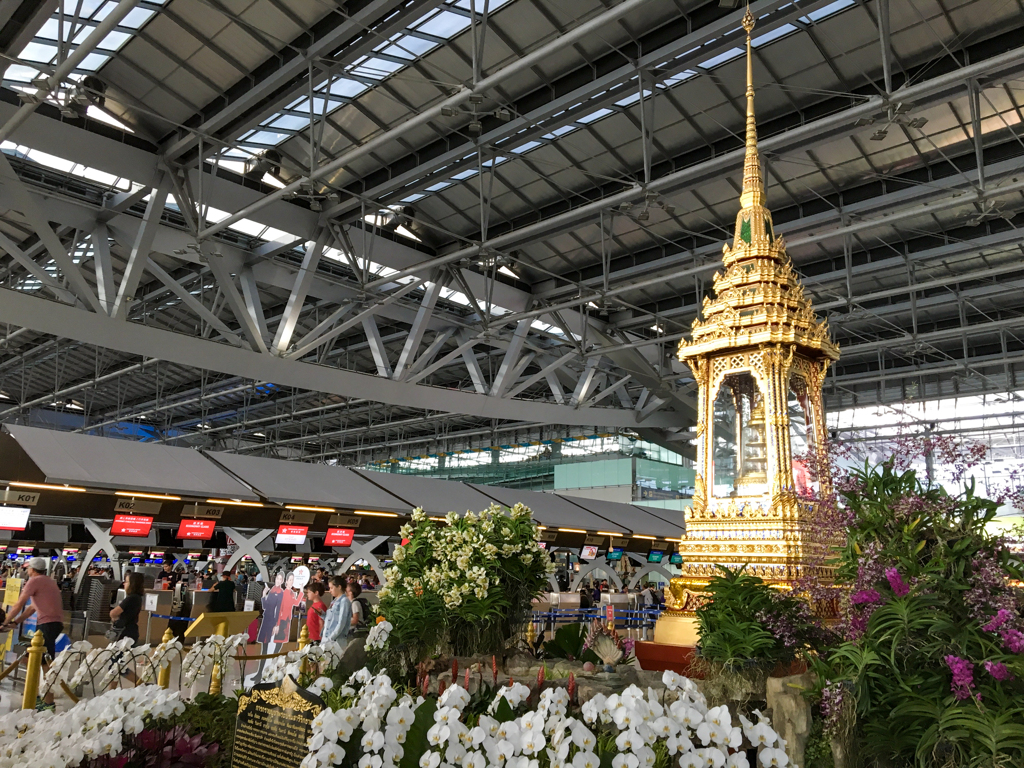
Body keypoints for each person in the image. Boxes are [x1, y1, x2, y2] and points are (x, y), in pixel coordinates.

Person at [1, 558, 64, 708]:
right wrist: (15, 622)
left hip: (47, 625)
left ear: (32, 570)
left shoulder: (34, 581)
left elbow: (19, 604)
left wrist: (4, 622)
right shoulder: (49, 581)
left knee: (45, 664)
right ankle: (35, 695)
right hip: (53, 624)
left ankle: (48, 702)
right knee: (33, 660)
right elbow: (31, 608)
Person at [321, 575, 352, 646]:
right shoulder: (334, 601)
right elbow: (330, 619)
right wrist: (322, 614)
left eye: (331, 588)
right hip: (327, 639)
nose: (330, 591)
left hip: (336, 641)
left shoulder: (344, 601)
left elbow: (341, 622)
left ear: (339, 587)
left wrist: (331, 638)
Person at [257, 571, 285, 644]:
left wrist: (277, 624)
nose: (278, 581)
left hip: (272, 619)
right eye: (277, 578)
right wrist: (264, 594)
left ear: (282, 581)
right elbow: (264, 606)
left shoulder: (280, 593)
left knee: (267, 640)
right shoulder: (272, 590)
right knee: (262, 639)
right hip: (266, 617)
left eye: (280, 579)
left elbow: (279, 609)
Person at [274, 571, 301, 643]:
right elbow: (279, 609)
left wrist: (301, 592)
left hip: (288, 619)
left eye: (293, 580)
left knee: (285, 639)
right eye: (290, 580)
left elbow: (296, 603)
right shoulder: (283, 593)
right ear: (286, 581)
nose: (291, 582)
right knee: (279, 639)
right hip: (282, 619)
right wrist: (277, 624)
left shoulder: (292, 593)